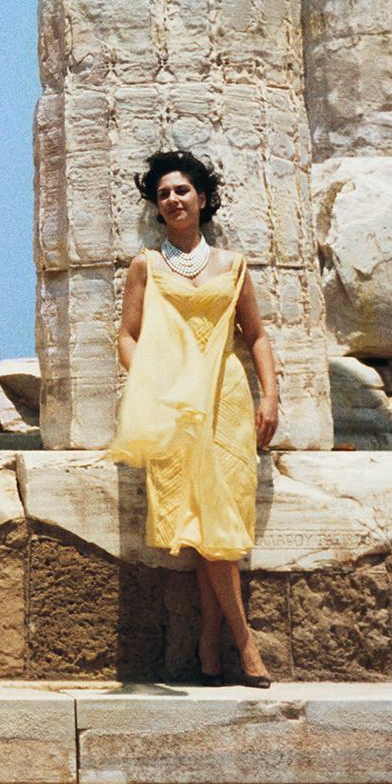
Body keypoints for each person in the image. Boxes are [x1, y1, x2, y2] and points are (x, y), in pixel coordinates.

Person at [107, 148, 282, 689]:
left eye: (181, 191)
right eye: (163, 194)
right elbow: (126, 336)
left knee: (220, 518)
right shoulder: (147, 265)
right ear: (156, 207)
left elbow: (255, 335)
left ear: (202, 199)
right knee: (201, 518)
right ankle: (244, 644)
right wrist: (153, 382)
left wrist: (270, 397)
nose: (173, 200)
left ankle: (210, 641)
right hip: (173, 402)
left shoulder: (232, 266)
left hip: (226, 399)